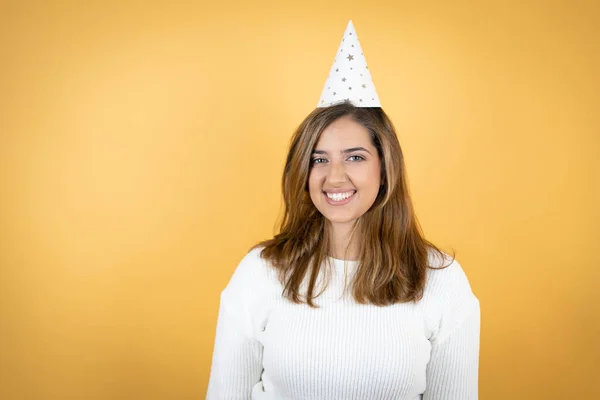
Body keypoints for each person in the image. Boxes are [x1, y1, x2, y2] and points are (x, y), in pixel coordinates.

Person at [207, 21, 480, 400]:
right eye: (319, 159)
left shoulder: (442, 282)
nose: (334, 177)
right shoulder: (261, 272)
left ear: (385, 169)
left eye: (355, 157)